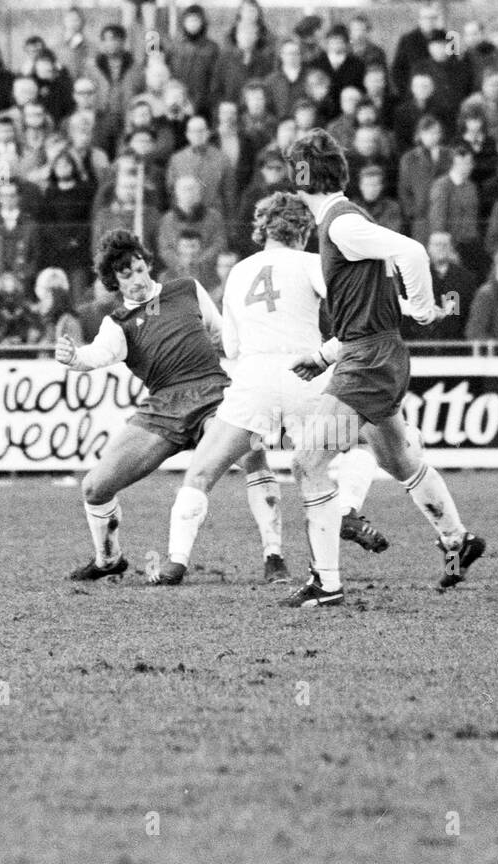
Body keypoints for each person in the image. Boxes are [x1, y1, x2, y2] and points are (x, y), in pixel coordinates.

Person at [279, 129, 485, 607]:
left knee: (306, 461)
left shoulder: (339, 223)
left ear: (303, 176)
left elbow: (412, 252)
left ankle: (325, 583)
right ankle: (458, 542)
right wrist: (326, 355)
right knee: (398, 461)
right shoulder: (342, 222)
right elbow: (364, 308)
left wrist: (422, 306)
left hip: (369, 361)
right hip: (369, 354)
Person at [149, 192, 390, 586]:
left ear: (262, 229)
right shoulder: (313, 262)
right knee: (360, 446)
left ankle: (176, 560)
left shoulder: (239, 271)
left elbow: (230, 346)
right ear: (303, 230)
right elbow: (349, 306)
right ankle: (346, 509)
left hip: (254, 379)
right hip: (306, 374)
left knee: (201, 472)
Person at [54, 229, 231, 582]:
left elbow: (222, 335)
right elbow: (97, 355)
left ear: (148, 264)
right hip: (164, 407)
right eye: (126, 275)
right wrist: (74, 357)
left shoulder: (186, 289)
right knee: (94, 487)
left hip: (214, 392)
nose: (137, 280)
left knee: (253, 456)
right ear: (113, 283)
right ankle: (108, 559)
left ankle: (275, 557)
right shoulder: (117, 323)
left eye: (139, 269)